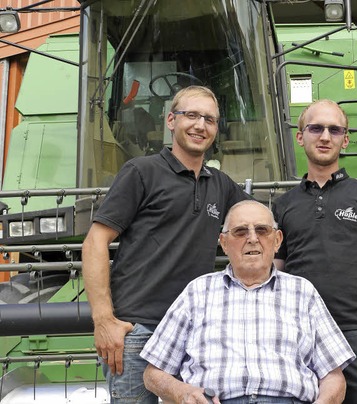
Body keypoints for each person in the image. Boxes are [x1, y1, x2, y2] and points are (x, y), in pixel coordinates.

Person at [82, 85, 249, 403]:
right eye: (192, 115)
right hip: (137, 332)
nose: (200, 125)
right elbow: (94, 243)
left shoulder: (222, 185)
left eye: (210, 119)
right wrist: (104, 320)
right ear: (171, 120)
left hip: (194, 334)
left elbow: (262, 223)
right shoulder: (141, 172)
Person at [140, 200, 355, 404]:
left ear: (278, 240)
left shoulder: (303, 292)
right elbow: (153, 373)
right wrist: (184, 393)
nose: (252, 238)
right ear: (223, 243)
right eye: (241, 231)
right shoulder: (197, 292)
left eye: (262, 230)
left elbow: (334, 377)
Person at [272, 99, 357, 403]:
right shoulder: (283, 204)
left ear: (346, 139)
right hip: (297, 339)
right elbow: (271, 276)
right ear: (300, 137)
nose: (325, 136)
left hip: (353, 335)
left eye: (334, 129)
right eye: (316, 128)